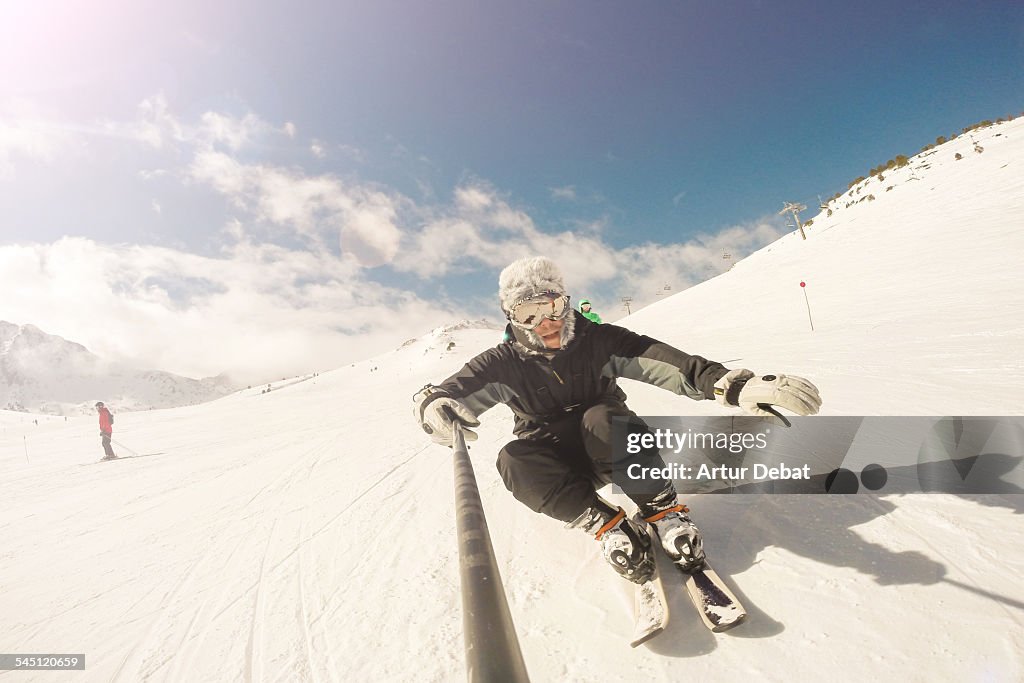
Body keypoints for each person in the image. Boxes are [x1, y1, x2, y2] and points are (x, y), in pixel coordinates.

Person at [413, 257, 821, 584]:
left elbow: (671, 364)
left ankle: (663, 513)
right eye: (529, 312)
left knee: (604, 417)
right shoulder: (500, 363)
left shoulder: (601, 341)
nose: (547, 321)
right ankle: (606, 524)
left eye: (552, 305)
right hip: (561, 465)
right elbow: (450, 392)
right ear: (511, 316)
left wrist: (731, 386)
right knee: (513, 458)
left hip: (613, 444)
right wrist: (435, 405)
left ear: (567, 302)